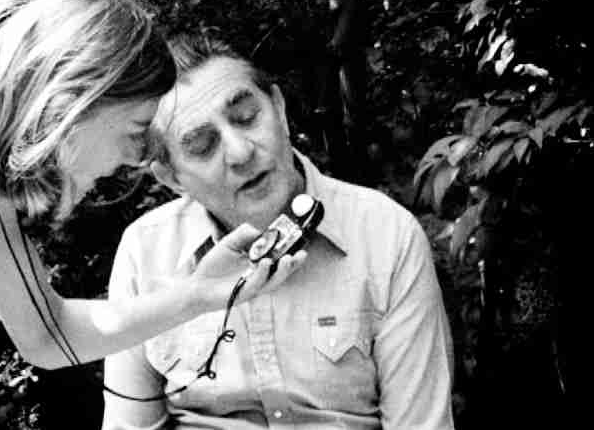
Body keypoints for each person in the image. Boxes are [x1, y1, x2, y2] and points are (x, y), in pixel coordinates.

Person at [0, 0, 303, 370]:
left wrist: (198, 294)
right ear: (77, 100)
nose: (138, 157)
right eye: (138, 128)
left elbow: (48, 336)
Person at [101, 36, 455, 429]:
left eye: (247, 117)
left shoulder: (386, 234)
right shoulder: (144, 251)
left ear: (280, 109)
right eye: (202, 146)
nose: (241, 152)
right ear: (172, 178)